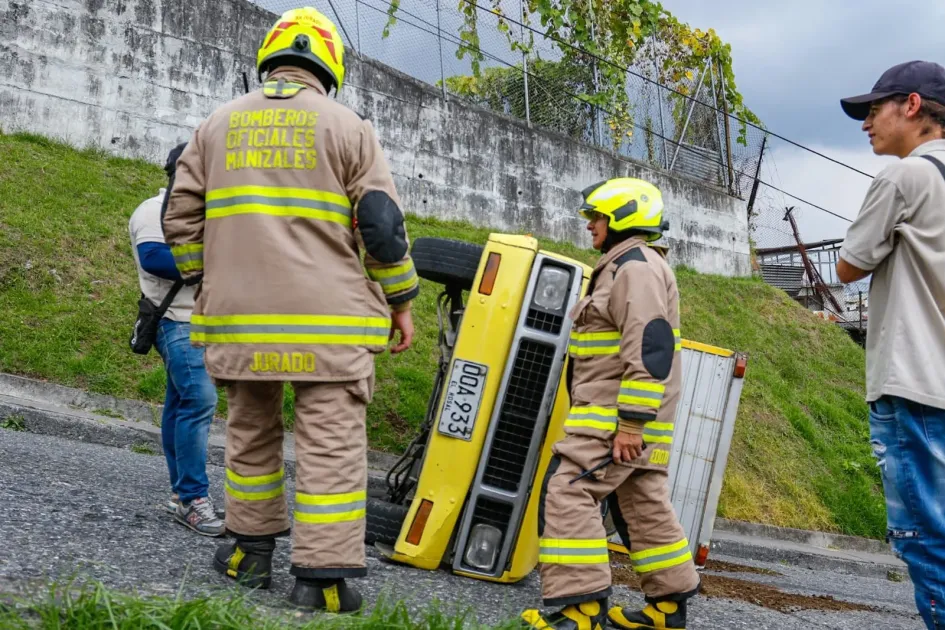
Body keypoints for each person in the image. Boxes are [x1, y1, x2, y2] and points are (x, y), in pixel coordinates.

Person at [161, 6, 419, 614]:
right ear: (328, 66)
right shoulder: (350, 127)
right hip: (330, 327)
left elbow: (180, 216)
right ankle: (322, 581)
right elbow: (380, 227)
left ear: (268, 60)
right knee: (331, 445)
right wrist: (402, 301)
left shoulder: (216, 125)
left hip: (241, 323)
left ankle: (248, 555)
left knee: (251, 433)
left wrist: (207, 278)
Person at [522, 177, 701, 630]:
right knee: (641, 502)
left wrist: (631, 425)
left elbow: (650, 348)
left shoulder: (634, 269)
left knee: (568, 493)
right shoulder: (633, 266)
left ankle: (578, 612)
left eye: (597, 217)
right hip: (629, 419)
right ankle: (667, 608)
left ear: (622, 218)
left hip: (614, 420)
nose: (590, 226)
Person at [836, 60, 945, 630]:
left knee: (927, 539)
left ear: (911, 106)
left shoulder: (905, 177)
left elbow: (849, 264)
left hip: (914, 384)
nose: (865, 124)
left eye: (873, 110)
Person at [127, 144, 225, 537]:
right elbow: (155, 258)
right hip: (176, 321)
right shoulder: (154, 211)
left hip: (206, 320)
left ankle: (178, 493)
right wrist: (221, 261)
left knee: (180, 402)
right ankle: (191, 498)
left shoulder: (209, 216)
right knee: (199, 399)